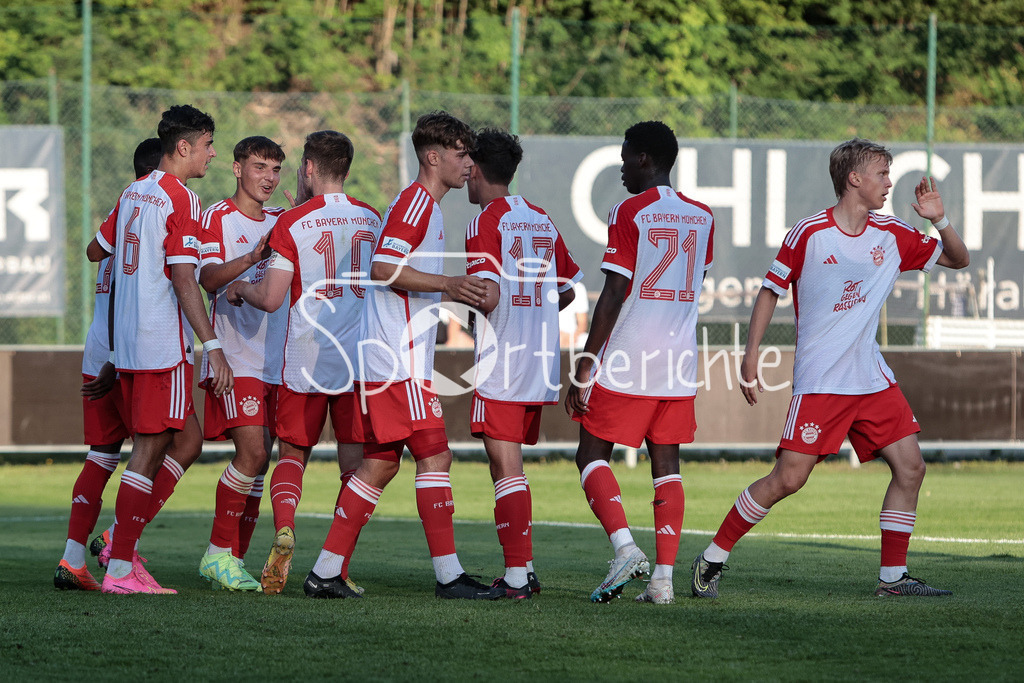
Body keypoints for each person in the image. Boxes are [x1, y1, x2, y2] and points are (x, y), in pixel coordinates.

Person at [691, 138, 969, 599]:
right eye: (881, 173)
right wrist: (750, 354)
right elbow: (770, 290)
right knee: (789, 478)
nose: (889, 182)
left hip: (871, 377)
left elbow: (959, 260)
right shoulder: (809, 233)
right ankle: (712, 558)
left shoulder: (893, 233)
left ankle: (893, 579)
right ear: (853, 179)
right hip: (822, 380)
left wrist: (939, 219)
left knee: (911, 467)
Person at [305, 111, 503, 600]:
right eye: (461, 154)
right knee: (435, 456)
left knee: (383, 463)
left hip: (393, 361)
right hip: (395, 363)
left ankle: (325, 571)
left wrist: (450, 296)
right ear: (433, 157)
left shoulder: (427, 208)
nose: (468, 164)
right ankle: (448, 577)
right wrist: (451, 284)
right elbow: (384, 267)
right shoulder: (416, 204)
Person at [225, 130, 382, 597]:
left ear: (309, 168)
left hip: (305, 357)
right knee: (354, 464)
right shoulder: (373, 219)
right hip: (356, 359)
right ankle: (337, 562)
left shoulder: (292, 223)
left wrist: (240, 290)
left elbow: (272, 299)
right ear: (347, 170)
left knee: (292, 455)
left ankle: (287, 528)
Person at [565, 121, 714, 604]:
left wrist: (586, 365)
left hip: (630, 357)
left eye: (626, 157)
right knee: (666, 465)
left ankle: (625, 548)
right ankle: (663, 583)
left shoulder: (629, 210)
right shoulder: (703, 216)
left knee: (590, 455)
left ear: (645, 158)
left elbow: (613, 294)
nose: (622, 167)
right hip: (679, 363)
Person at [86, 104, 233, 594]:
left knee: (181, 440)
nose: (213, 154)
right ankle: (121, 567)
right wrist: (211, 344)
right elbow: (184, 277)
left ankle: (121, 555)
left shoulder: (133, 191)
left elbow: (99, 251)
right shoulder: (182, 198)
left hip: (128, 344)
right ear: (184, 147)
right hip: (158, 343)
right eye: (209, 145)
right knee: (148, 451)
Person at [464, 128, 583, 598]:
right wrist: (534, 310)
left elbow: (488, 294)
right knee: (512, 466)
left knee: (505, 466)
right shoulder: (540, 218)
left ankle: (515, 576)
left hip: (502, 358)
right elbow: (569, 287)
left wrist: (462, 303)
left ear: (475, 169)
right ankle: (525, 570)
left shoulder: (483, 223)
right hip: (539, 358)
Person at [53, 138, 162, 590]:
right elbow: (123, 294)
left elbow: (93, 253)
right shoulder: (149, 214)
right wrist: (117, 361)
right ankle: (120, 552)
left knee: (102, 455)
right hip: (121, 356)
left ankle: (72, 559)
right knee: (166, 446)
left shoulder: (122, 216)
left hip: (98, 347)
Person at [196, 136, 287, 591]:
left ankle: (234, 559)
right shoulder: (217, 217)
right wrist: (253, 257)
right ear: (236, 168)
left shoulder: (283, 220)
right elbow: (207, 280)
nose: (268, 178)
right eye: (259, 167)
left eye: (275, 169)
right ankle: (216, 553)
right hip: (235, 358)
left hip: (279, 362)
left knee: (261, 461)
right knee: (250, 454)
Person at [559, 280, 590, 348]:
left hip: (573, 337)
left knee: (586, 340)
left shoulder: (579, 287)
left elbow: (582, 324)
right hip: (550, 336)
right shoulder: (545, 287)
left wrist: (572, 338)